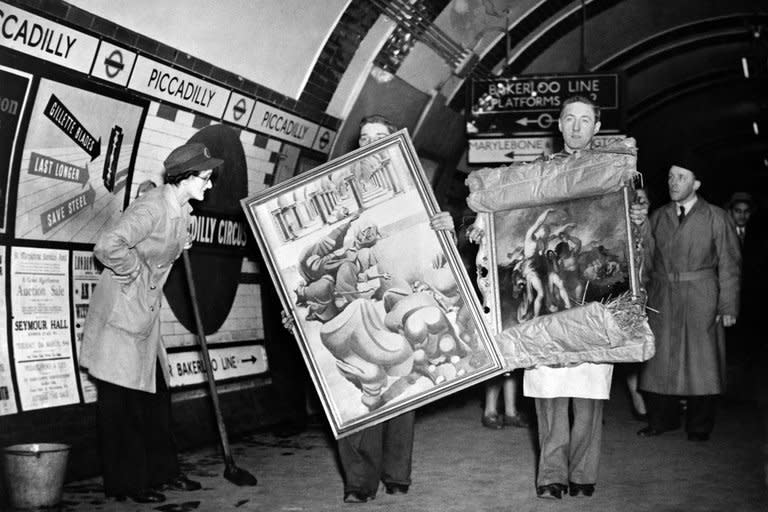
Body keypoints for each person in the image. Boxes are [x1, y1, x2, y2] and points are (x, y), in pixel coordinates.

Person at [283, 114, 456, 504]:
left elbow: (434, 255)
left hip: (392, 299)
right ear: (356, 146)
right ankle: (359, 481)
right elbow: (303, 256)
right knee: (353, 391)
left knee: (400, 383)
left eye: (381, 137)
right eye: (364, 138)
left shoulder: (414, 191)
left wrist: (447, 230)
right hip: (351, 305)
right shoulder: (328, 196)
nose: (371, 144)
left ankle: (397, 471)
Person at [521, 96, 648, 499]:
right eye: (569, 120)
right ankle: (551, 476)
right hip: (552, 297)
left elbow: (634, 242)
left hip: (596, 295)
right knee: (551, 388)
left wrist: (638, 224)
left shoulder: (614, 176)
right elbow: (516, 222)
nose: (577, 127)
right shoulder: (539, 175)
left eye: (585, 120)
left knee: (588, 391)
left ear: (596, 128)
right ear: (559, 125)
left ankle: (583, 473)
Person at [80, 142, 222, 503]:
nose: (210, 184)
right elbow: (108, 245)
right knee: (120, 403)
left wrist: (179, 242)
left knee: (157, 396)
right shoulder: (153, 207)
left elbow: (164, 242)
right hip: (122, 314)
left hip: (144, 317)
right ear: (184, 177)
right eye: (206, 177)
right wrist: (136, 275)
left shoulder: (182, 208)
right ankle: (126, 484)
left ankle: (163, 472)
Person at [636, 156, 741, 442]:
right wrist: (639, 302)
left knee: (702, 364)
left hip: (701, 296)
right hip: (663, 296)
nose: (673, 182)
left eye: (681, 177)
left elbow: (730, 265)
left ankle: (699, 426)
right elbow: (645, 261)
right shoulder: (658, 217)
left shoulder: (717, 217)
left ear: (696, 183)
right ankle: (661, 420)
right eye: (670, 177)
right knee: (659, 361)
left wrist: (728, 305)